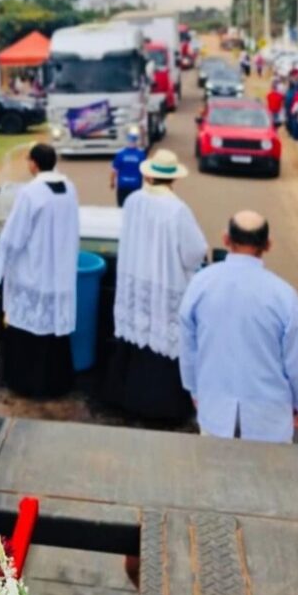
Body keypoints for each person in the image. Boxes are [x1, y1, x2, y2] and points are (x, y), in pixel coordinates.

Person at [179, 212, 298, 442]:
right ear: (268, 245)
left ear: (225, 239)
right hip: (268, 421)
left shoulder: (201, 283)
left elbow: (188, 347)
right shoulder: (283, 295)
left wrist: (194, 389)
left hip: (214, 410)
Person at [106, 148, 208, 425]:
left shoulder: (134, 201)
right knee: (163, 345)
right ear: (174, 179)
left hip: (135, 280)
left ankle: (128, 399)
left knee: (135, 341)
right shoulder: (178, 210)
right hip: (165, 283)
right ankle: (163, 408)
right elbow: (194, 252)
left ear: (148, 176)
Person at [0, 143, 80, 398]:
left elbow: (12, 236)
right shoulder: (69, 189)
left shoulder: (31, 193)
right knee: (53, 334)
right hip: (60, 273)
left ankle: (29, 384)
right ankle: (58, 383)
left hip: (35, 272)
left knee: (31, 331)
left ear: (34, 164)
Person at [110, 127, 146, 207]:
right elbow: (145, 171)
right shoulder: (141, 155)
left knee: (121, 208)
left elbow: (114, 171)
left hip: (122, 185)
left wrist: (112, 183)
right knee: (135, 208)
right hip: (136, 185)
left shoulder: (120, 154)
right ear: (136, 141)